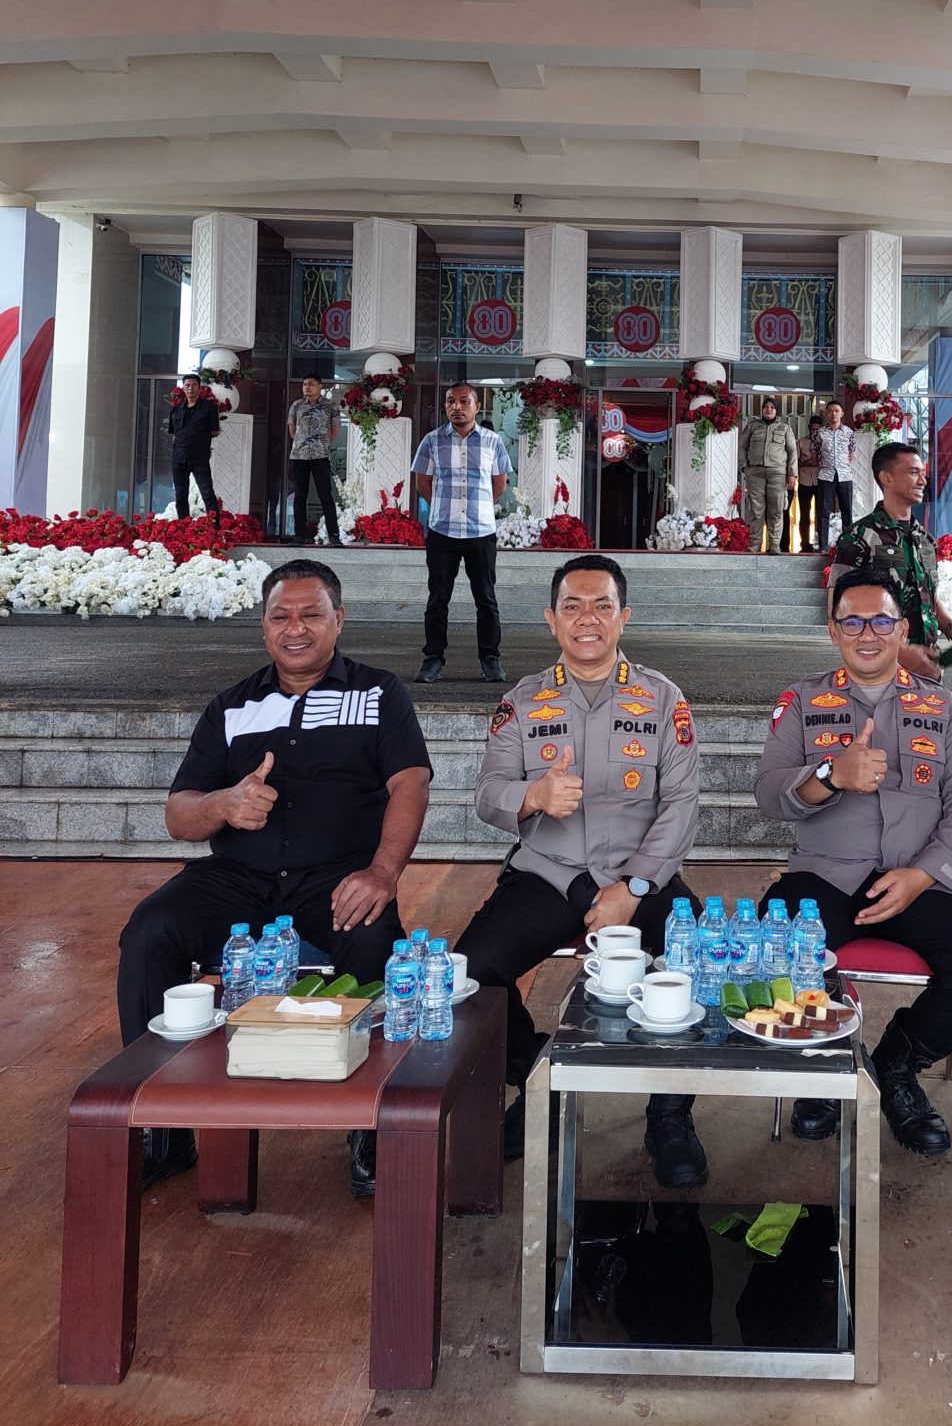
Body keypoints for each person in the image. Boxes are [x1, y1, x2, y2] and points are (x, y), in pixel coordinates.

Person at [116, 559, 432, 1195]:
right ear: (263, 626)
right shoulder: (232, 706)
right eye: (281, 616)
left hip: (335, 877)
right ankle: (160, 1131)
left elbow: (411, 782)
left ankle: (371, 1129)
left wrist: (382, 871)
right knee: (150, 933)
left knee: (373, 938)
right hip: (238, 875)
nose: (296, 628)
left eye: (312, 614)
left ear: (338, 620)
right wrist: (224, 804)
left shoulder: (377, 694)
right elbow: (180, 814)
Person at [457, 554, 707, 1186]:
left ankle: (670, 1115)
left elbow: (681, 803)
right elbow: (487, 793)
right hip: (548, 875)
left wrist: (636, 886)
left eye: (602, 606)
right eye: (572, 606)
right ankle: (540, 1075)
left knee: (695, 963)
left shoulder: (663, 698)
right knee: (472, 974)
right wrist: (532, 795)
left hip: (641, 877)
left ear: (624, 617)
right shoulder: (521, 702)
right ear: (551, 619)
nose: (587, 619)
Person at [754, 568, 952, 1154]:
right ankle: (822, 1061)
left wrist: (923, 874)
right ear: (833, 631)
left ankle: (897, 1064)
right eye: (852, 622)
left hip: (918, 877)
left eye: (880, 621)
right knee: (776, 950)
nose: (866, 634)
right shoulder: (801, 702)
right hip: (824, 874)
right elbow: (769, 795)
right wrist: (830, 774)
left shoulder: (942, 707)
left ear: (902, 629)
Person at [830, 441, 952, 682]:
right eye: (914, 472)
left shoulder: (924, 540)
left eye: (923, 474)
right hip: (878, 672)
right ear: (887, 477)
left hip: (928, 670)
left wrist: (950, 626)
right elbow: (838, 608)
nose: (923, 481)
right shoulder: (859, 537)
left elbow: (929, 597)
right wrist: (900, 652)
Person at [412, 382, 511, 684]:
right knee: (438, 599)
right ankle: (433, 659)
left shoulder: (493, 441)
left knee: (486, 599)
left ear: (477, 406)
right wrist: (444, 508)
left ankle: (490, 660)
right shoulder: (431, 441)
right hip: (442, 532)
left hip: (481, 532)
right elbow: (422, 483)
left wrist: (478, 509)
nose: (457, 407)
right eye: (450, 401)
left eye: (464, 401)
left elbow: (499, 484)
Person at [739, 395, 798, 554]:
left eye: (772, 407)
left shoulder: (785, 428)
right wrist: (744, 466)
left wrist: (792, 474)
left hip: (777, 474)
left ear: (777, 411)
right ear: (762, 410)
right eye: (766, 407)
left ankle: (774, 545)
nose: (769, 409)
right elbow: (742, 446)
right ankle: (755, 545)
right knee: (756, 511)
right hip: (755, 473)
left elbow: (792, 451)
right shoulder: (752, 426)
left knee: (776, 510)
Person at [287, 373, 342, 546]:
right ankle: (299, 536)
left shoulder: (330, 406)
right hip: (299, 456)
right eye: (304, 384)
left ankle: (334, 536)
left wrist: (320, 443)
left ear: (320, 386)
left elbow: (335, 431)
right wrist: (303, 441)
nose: (306, 387)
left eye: (310, 384)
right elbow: (292, 430)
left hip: (321, 455)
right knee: (300, 496)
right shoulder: (296, 405)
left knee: (325, 495)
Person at [168, 372, 221, 520]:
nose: (190, 388)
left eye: (194, 385)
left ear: (199, 388)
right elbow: (174, 432)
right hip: (179, 458)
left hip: (199, 458)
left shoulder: (209, 408)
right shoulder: (175, 409)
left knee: (207, 493)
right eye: (187, 385)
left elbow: (214, 431)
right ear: (183, 388)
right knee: (180, 494)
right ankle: (183, 525)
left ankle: (215, 527)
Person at [814, 398, 858, 548]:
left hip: (844, 475)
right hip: (825, 475)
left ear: (842, 413)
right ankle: (823, 546)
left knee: (847, 510)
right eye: (830, 411)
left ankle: (847, 546)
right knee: (823, 511)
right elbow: (815, 452)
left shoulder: (849, 432)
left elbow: (851, 452)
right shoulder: (820, 433)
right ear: (826, 414)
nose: (833, 414)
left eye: (836, 411)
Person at [796, 415, 823, 551]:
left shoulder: (825, 443)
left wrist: (818, 462)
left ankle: (821, 543)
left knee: (821, 515)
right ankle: (805, 545)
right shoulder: (801, 442)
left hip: (821, 482)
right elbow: (794, 463)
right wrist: (806, 462)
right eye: (813, 429)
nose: (815, 432)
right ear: (808, 428)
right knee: (804, 515)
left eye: (817, 430)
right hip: (804, 481)